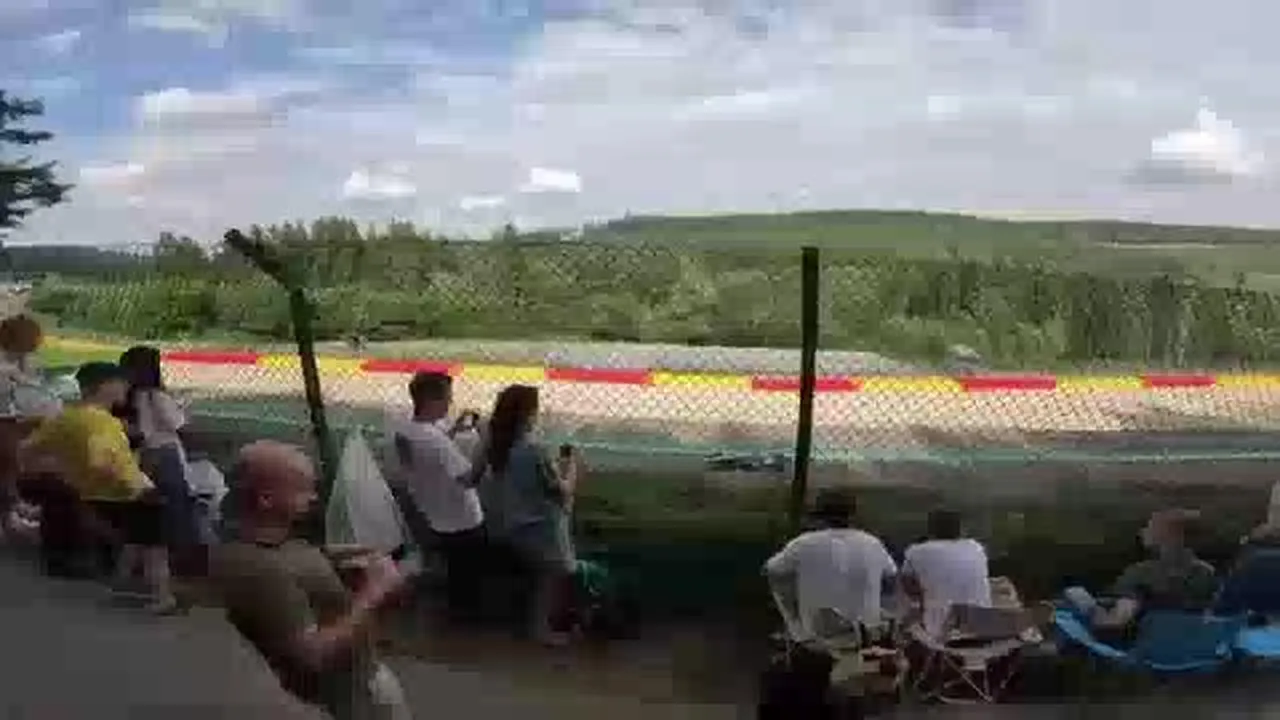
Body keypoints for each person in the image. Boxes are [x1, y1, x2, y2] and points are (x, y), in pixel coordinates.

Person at [208, 441, 412, 720]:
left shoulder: (271, 537)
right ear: (266, 499)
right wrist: (374, 592)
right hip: (349, 695)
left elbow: (291, 563)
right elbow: (312, 655)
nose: (314, 496)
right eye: (302, 488)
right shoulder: (257, 568)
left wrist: (331, 557)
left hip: (359, 678)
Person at [19, 361, 177, 612]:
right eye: (122, 385)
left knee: (136, 538)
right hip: (129, 492)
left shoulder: (63, 418)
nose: (126, 390)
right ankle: (162, 596)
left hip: (93, 494)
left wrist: (66, 471)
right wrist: (138, 485)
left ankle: (121, 584)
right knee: (155, 548)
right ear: (106, 387)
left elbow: (28, 448)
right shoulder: (102, 423)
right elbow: (101, 461)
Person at [474, 384, 580, 646]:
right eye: (535, 411)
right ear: (526, 416)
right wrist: (572, 467)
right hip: (540, 529)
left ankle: (532, 622)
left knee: (536, 577)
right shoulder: (535, 450)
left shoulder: (496, 444)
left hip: (509, 523)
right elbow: (562, 492)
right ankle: (540, 629)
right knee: (550, 578)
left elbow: (473, 477)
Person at [388, 372, 485, 623]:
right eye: (446, 398)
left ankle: (453, 608)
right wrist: (487, 447)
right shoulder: (436, 442)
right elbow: (469, 479)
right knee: (467, 573)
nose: (450, 403)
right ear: (431, 400)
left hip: (435, 513)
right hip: (462, 519)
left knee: (453, 566)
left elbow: (429, 453)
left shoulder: (406, 429)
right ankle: (464, 618)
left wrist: (453, 431)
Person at [763, 487, 898, 642]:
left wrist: (792, 607)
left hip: (819, 636)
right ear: (852, 517)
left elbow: (771, 571)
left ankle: (796, 632)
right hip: (866, 634)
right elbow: (891, 576)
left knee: (780, 580)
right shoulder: (872, 542)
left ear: (820, 517)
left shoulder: (804, 543)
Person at [1072, 509, 1217, 644]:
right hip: (1192, 649)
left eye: (1149, 527)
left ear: (1169, 535)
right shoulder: (1207, 573)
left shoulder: (1141, 573)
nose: (1142, 531)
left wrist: (1091, 610)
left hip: (1147, 650)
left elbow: (1116, 622)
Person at [118, 345, 202, 577]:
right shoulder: (156, 396)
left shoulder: (130, 397)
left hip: (144, 455)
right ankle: (180, 558)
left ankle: (136, 565)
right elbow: (179, 427)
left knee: (149, 510)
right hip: (165, 454)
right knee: (178, 507)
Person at [900, 509, 992, 637]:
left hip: (940, 632)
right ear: (960, 529)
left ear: (931, 530)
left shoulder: (916, 551)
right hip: (984, 628)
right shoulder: (977, 547)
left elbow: (908, 587)